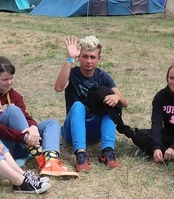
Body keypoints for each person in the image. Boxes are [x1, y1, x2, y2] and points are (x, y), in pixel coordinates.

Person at [0, 56, 78, 178]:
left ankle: (50, 162)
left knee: (51, 123)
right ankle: (40, 157)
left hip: (23, 143)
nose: (10, 82)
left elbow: (25, 116)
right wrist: (24, 137)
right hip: (2, 146)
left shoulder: (14, 94)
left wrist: (33, 127)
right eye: (5, 79)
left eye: (11, 78)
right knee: (12, 110)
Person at [54, 35, 129, 171]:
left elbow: (125, 102)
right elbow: (58, 87)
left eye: (92, 57)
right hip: (72, 130)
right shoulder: (72, 73)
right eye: (85, 56)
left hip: (95, 129)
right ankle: (81, 154)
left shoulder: (103, 76)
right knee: (77, 106)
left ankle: (107, 152)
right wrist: (69, 59)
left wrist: (116, 98)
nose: (88, 61)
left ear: (98, 59)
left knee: (109, 106)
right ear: (79, 57)